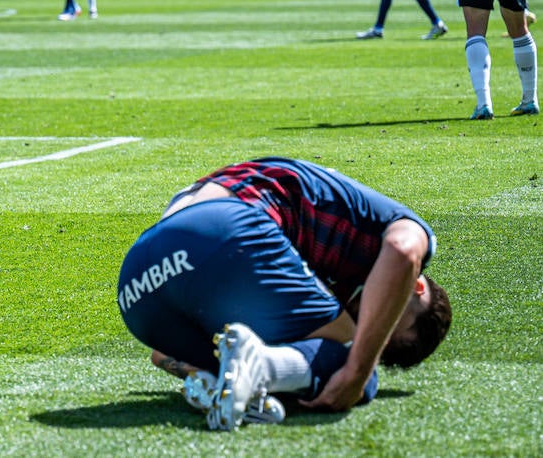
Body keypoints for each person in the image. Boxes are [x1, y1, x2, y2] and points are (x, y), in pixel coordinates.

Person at [119, 157, 451, 430]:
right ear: (416, 285)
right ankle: (259, 368)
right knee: (354, 370)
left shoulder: (296, 286)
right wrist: (360, 367)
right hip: (224, 230)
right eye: (388, 318)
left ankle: (221, 384)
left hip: (139, 286)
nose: (372, 323)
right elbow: (403, 251)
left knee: (291, 356)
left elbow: (161, 355)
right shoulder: (412, 235)